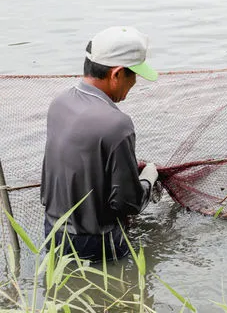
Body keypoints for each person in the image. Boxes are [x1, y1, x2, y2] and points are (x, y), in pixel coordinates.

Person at [40, 26, 160, 262]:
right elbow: (128, 203)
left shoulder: (59, 103)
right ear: (116, 74)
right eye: (133, 74)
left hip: (54, 232)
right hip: (97, 243)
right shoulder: (117, 124)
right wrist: (148, 177)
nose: (135, 82)